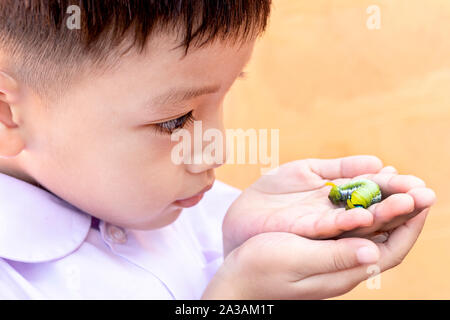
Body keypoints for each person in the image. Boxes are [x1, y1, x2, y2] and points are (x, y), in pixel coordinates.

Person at [0, 1, 436, 299]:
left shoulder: (191, 209)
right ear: (8, 115)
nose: (216, 151)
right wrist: (237, 297)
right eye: (174, 120)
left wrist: (238, 245)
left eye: (225, 95)